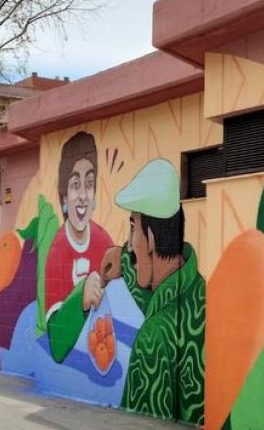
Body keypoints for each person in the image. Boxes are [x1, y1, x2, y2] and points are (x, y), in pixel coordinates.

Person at [100, 158, 206, 426]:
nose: (129, 244)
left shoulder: (153, 335)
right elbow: (151, 294)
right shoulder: (196, 288)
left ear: (153, 238)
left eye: (132, 228)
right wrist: (123, 258)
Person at [43, 132, 114, 361]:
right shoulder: (57, 250)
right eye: (75, 185)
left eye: (89, 184)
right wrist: (80, 299)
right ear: (64, 196)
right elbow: (56, 345)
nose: (83, 195)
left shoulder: (104, 242)